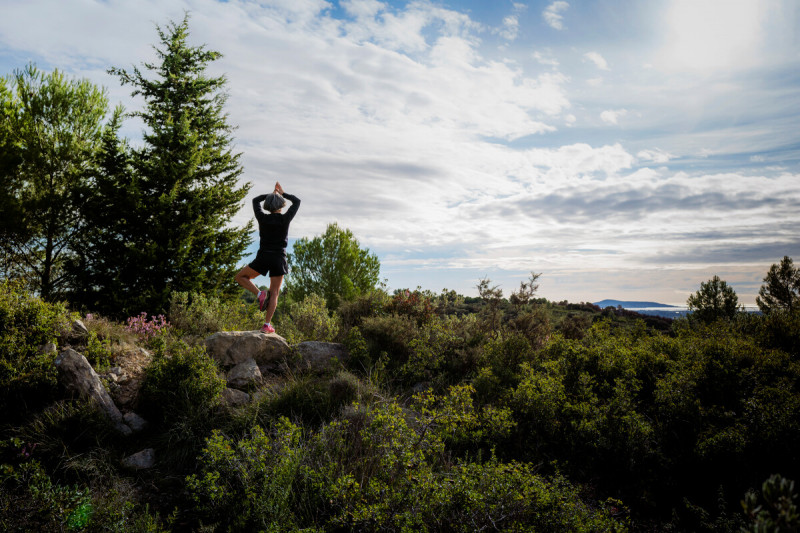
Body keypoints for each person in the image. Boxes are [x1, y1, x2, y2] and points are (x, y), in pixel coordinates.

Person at [235, 181, 300, 334]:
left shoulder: (262, 218)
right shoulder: (285, 219)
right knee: (275, 292)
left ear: (268, 206)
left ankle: (259, 294)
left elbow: (255, 200)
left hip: (263, 256)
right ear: (281, 205)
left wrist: (270, 194)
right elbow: (297, 201)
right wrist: (281, 193)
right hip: (278, 258)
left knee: (240, 277)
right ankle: (266, 325)